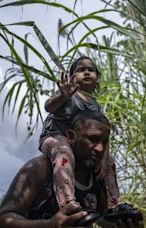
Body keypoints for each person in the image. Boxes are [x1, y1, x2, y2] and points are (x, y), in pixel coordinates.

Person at [0, 111, 144, 228]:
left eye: (105, 142)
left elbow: (101, 220)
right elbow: (1, 222)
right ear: (71, 137)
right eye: (92, 139)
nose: (100, 149)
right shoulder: (39, 169)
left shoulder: (100, 177)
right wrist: (49, 225)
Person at [39, 56, 120, 210]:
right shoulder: (69, 94)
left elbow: (104, 136)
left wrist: (103, 158)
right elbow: (48, 107)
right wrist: (62, 96)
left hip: (78, 144)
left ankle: (114, 204)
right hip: (55, 136)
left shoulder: (96, 106)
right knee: (63, 153)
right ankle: (67, 201)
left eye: (91, 70)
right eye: (81, 70)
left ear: (97, 78)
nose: (87, 73)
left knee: (109, 160)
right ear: (72, 78)